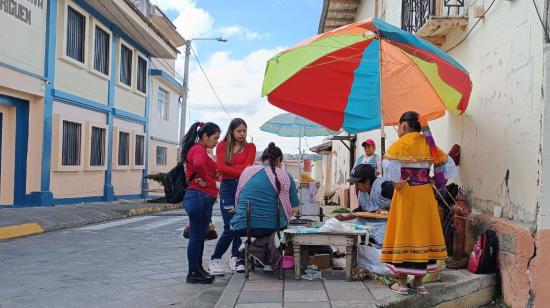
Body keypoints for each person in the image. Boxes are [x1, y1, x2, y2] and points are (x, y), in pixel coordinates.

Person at [381, 111, 456, 295]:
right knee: (423, 235)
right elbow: (448, 165)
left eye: (399, 125)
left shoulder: (398, 146)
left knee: (404, 235)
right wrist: (430, 177)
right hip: (425, 196)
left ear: (405, 126)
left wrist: (397, 182)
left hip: (406, 196)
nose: (398, 129)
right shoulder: (430, 145)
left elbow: (392, 177)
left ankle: (402, 284)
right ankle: (420, 284)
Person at [230, 142, 300, 272]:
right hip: (273, 227)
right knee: (276, 228)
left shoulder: (247, 172)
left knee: (238, 220)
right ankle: (268, 261)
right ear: (278, 160)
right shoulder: (285, 176)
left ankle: (242, 257)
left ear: (263, 159)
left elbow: (238, 199)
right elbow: (294, 208)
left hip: (244, 226)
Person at [209, 118, 256, 275]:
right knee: (230, 226)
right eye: (238, 131)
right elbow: (220, 167)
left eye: (244, 130)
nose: (242, 134)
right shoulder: (222, 146)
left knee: (240, 224)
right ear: (231, 131)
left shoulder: (251, 147)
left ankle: (235, 258)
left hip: (243, 188)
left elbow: (248, 167)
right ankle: (214, 259)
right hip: (228, 189)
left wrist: (231, 169)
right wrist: (240, 170)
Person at [181, 121, 221, 284]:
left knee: (199, 236)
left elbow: (208, 166)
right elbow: (198, 165)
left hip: (200, 197)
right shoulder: (198, 149)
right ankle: (193, 272)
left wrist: (214, 173)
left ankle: (198, 268)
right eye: (215, 138)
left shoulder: (201, 150)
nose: (216, 142)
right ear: (205, 136)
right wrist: (207, 180)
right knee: (197, 237)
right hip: (198, 196)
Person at [335, 164, 393, 246]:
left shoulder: (386, 187)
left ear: (367, 181)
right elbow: (361, 210)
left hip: (385, 230)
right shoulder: (362, 192)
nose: (356, 186)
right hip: (366, 229)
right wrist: (344, 218)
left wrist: (387, 211)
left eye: (357, 183)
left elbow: (403, 204)